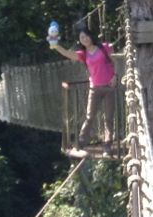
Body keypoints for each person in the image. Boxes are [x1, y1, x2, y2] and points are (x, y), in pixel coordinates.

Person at [50, 25, 116, 155]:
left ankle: (107, 145)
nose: (84, 39)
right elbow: (68, 54)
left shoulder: (104, 47)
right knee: (90, 116)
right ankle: (81, 142)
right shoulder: (83, 54)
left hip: (109, 87)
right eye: (81, 38)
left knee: (108, 117)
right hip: (94, 88)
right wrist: (55, 45)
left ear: (90, 36)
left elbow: (115, 61)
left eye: (85, 36)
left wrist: (115, 76)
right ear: (80, 41)